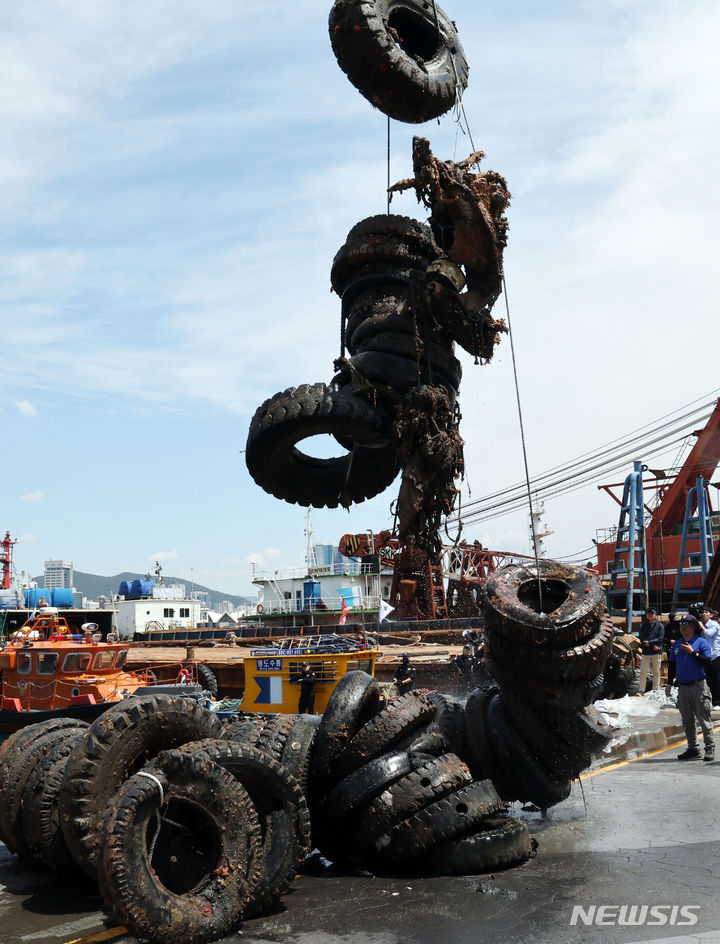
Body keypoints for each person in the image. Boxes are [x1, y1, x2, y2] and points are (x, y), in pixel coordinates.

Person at [665, 614, 714, 761]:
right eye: (681, 625)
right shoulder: (677, 644)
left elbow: (707, 662)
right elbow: (672, 665)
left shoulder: (701, 643)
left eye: (686, 624)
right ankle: (693, 748)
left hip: (698, 686)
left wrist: (693, 653)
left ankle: (709, 747)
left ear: (693, 627)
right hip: (683, 687)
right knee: (687, 720)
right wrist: (668, 683)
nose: (683, 627)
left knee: (704, 718)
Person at [638, 607, 664, 692]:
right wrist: (651, 645)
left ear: (655, 615)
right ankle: (641, 690)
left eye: (652, 613)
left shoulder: (660, 626)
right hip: (646, 652)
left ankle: (655, 689)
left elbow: (660, 638)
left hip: (657, 651)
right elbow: (642, 638)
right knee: (643, 671)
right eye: (648, 613)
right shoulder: (643, 626)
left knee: (656, 672)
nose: (650, 615)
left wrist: (650, 643)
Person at [699, 607, 720, 707]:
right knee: (709, 680)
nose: (704, 614)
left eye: (706, 612)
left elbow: (708, 634)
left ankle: (718, 702)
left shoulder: (713, 624)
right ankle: (712, 701)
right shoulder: (702, 625)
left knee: (717, 680)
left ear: (711, 615)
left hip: (716, 656)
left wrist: (702, 626)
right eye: (702, 612)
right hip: (707, 657)